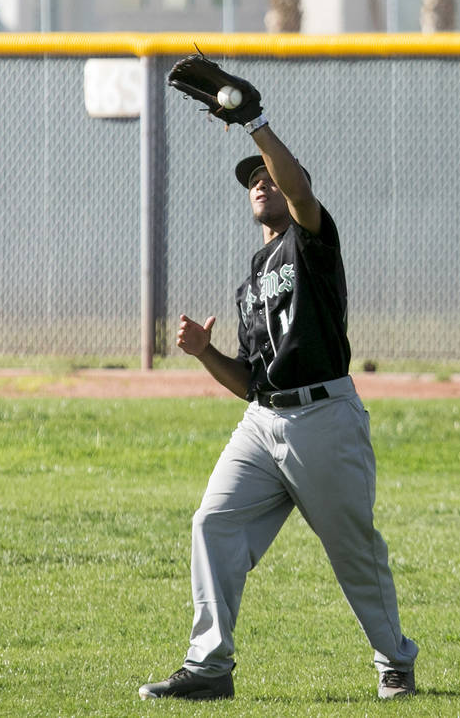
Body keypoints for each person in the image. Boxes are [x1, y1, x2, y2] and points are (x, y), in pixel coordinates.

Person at [139, 111, 418, 702]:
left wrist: (255, 125)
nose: (259, 182)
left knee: (352, 549)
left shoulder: (311, 241)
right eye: (251, 181)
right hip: (263, 421)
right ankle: (210, 666)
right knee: (213, 522)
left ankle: (395, 659)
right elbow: (247, 381)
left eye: (267, 174)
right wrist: (205, 353)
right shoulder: (251, 282)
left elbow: (296, 187)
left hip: (324, 416)